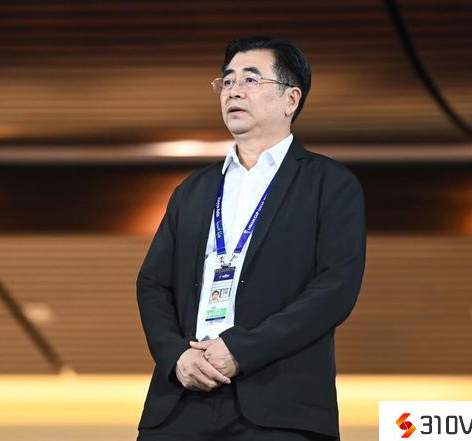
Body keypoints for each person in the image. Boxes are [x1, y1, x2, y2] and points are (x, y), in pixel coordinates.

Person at [136, 36, 366, 441]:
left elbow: (336, 288)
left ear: (290, 99)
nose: (234, 91)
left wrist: (242, 350)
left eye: (251, 79)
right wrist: (176, 356)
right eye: (227, 81)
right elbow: (153, 284)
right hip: (182, 403)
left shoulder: (329, 184)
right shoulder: (193, 190)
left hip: (279, 408)